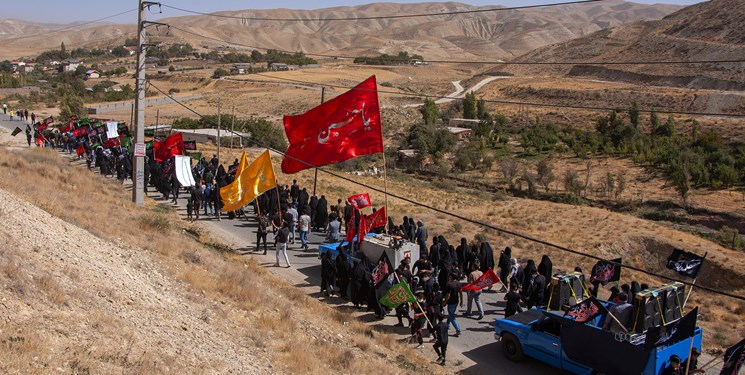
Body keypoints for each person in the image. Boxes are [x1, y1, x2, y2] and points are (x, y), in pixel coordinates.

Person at [442, 272, 462, 337]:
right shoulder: (458, 284)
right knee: (451, 314)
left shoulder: (450, 285)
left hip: (451, 302)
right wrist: (461, 301)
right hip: (456, 301)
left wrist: (444, 302)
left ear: (451, 277)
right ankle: (447, 326)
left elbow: (448, 295)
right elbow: (461, 293)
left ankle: (458, 329)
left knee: (452, 316)